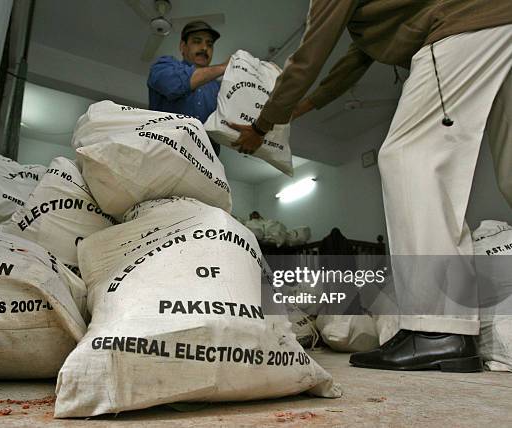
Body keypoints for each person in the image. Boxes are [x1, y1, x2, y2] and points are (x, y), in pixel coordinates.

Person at [231, 0, 512, 372]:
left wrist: (263, 126)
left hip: (462, 27)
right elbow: (349, 66)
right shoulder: (377, 20)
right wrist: (297, 110)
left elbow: (310, 56)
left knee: (407, 156)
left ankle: (437, 329)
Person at [147, 20, 228, 155]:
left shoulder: (219, 88)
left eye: (210, 44)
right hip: (164, 154)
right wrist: (224, 67)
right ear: (183, 46)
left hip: (205, 162)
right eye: (197, 41)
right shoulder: (164, 66)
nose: (204, 48)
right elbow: (173, 85)